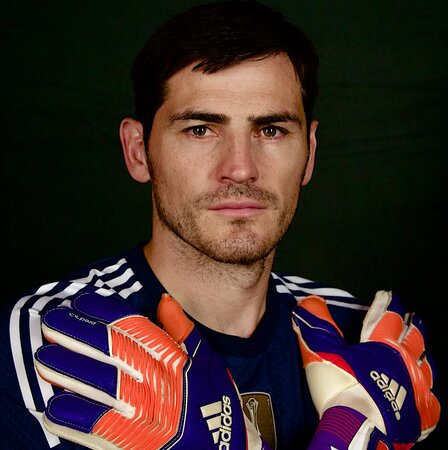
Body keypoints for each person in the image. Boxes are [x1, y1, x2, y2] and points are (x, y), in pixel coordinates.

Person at [0, 1, 440, 449]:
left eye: (271, 130)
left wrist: (355, 419)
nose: (240, 168)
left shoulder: (365, 342)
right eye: (200, 129)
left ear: (309, 153)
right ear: (137, 151)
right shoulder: (59, 342)